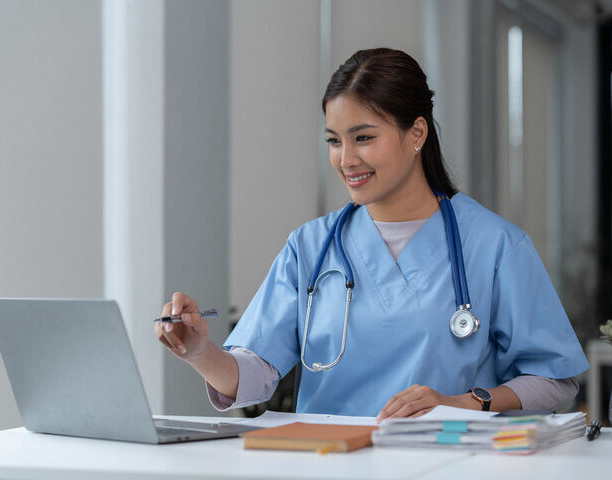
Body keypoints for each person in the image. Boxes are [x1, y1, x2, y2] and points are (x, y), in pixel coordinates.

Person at [155, 48, 588, 420]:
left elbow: (556, 380)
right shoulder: (309, 247)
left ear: (416, 133)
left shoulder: (495, 246)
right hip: (329, 463)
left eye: (363, 137)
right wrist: (199, 353)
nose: (346, 160)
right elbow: (257, 372)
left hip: (448, 463)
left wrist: (468, 402)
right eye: (333, 141)